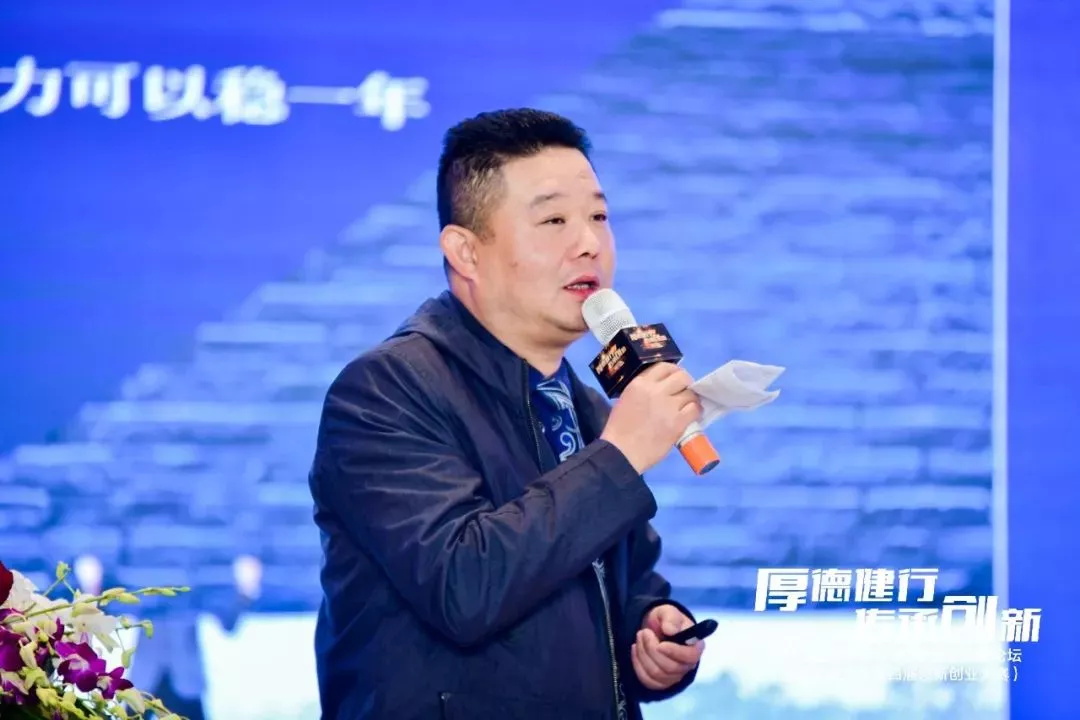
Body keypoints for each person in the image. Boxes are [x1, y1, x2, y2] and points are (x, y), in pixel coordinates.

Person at [309, 108, 708, 720]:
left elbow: (617, 584)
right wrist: (622, 455)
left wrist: (652, 631)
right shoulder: (385, 390)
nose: (589, 243)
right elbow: (464, 586)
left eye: (599, 217)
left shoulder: (582, 405)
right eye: (553, 220)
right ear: (465, 251)